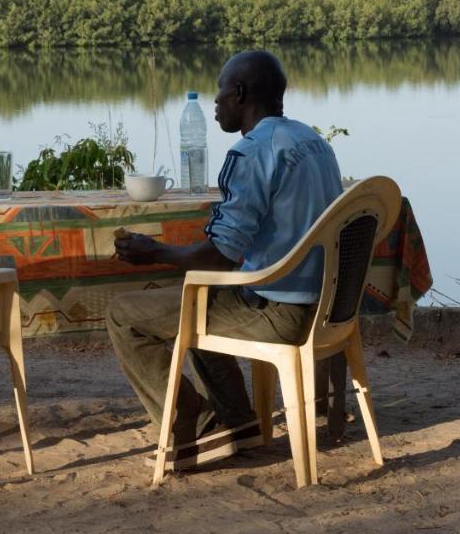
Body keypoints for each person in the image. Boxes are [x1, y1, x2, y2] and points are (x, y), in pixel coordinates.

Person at [108, 49, 343, 470]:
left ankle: (198, 428)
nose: (215, 102)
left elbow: (220, 256)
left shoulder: (253, 152)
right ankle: (239, 425)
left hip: (280, 312)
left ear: (238, 93)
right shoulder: (313, 142)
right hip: (329, 309)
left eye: (219, 91)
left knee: (125, 314)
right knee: (197, 299)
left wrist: (155, 252)